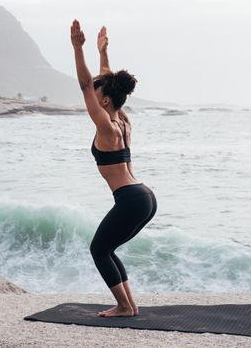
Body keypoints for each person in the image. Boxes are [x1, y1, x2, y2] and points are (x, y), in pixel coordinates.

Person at [70, 19, 158, 318]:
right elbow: (107, 83)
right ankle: (129, 306)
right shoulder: (123, 120)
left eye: (97, 96)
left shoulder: (106, 126)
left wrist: (78, 49)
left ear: (104, 101)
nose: (91, 98)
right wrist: (103, 53)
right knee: (107, 249)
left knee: (99, 250)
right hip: (144, 197)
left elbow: (85, 84)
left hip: (132, 199)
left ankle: (123, 305)